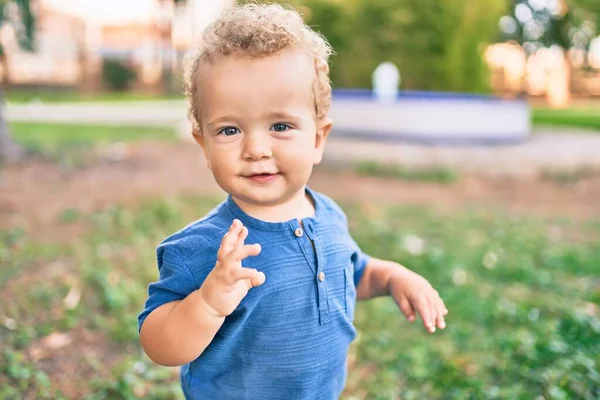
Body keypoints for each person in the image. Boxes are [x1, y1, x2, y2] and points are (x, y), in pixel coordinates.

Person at [138, 3, 448, 399]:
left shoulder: (329, 216)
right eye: (230, 130)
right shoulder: (204, 247)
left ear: (318, 139)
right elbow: (157, 342)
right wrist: (208, 303)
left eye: (280, 126)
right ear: (204, 145)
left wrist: (393, 277)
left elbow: (352, 272)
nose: (256, 149)